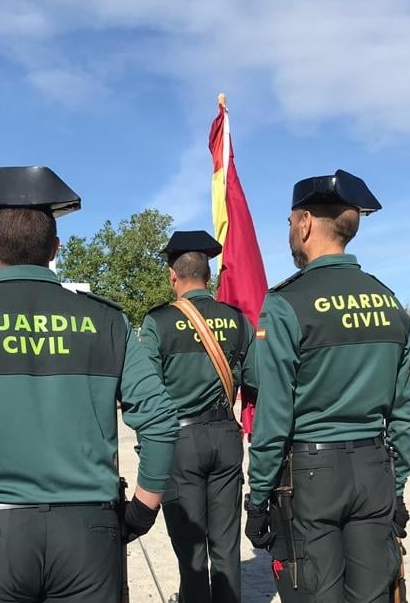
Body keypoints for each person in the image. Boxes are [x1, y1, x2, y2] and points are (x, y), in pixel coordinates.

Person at [0, 166, 179, 603]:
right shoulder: (106, 320)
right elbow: (159, 420)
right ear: (54, 249)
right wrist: (141, 510)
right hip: (89, 538)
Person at [245, 169, 410, 603]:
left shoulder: (287, 302)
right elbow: (405, 413)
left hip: (311, 475)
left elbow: (274, 414)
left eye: (289, 222)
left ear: (304, 222)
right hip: (375, 467)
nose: (289, 231)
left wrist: (259, 496)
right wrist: (395, 487)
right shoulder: (388, 300)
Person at [139, 230, 257, 603]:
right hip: (225, 437)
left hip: (180, 443)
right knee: (226, 548)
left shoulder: (157, 323)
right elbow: (255, 382)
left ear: (173, 276)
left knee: (191, 555)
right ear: (209, 276)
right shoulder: (238, 321)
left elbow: (146, 394)